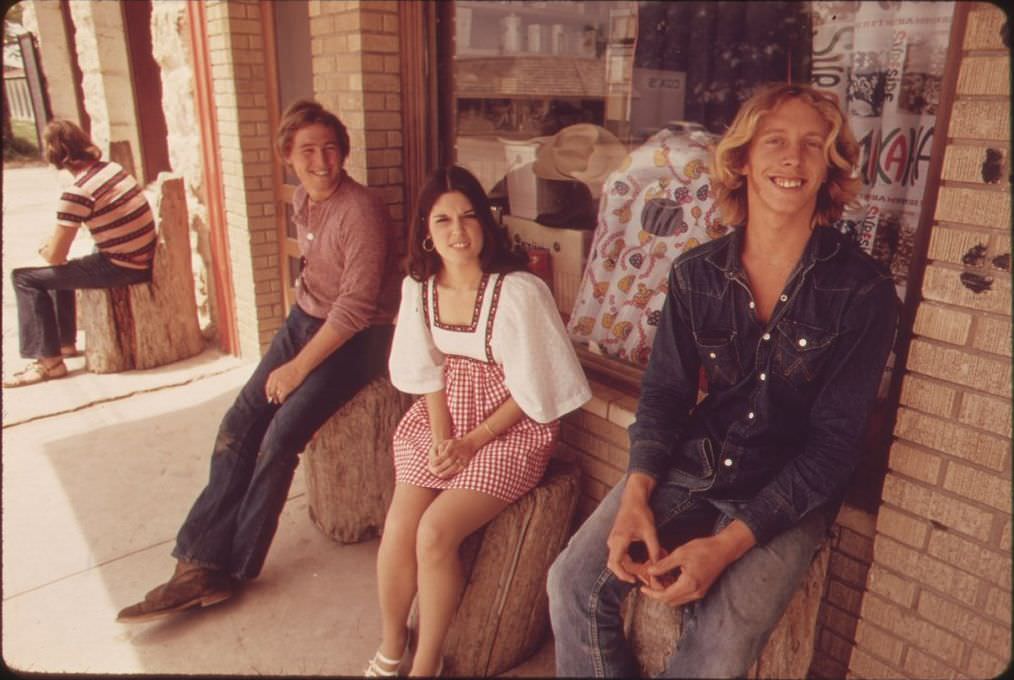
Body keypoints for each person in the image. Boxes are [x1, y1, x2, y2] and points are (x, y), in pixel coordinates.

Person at [547, 83, 899, 677]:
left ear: (830, 167)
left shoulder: (863, 290)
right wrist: (636, 499)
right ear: (741, 159)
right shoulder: (695, 274)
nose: (793, 158)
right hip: (696, 462)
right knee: (572, 585)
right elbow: (663, 397)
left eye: (813, 145)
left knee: (720, 647)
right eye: (776, 142)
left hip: (789, 492)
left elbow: (834, 447)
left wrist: (728, 545)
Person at [116, 99, 400, 623]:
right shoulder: (303, 197)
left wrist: (296, 369)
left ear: (344, 152)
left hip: (361, 336)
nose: (322, 161)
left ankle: (234, 567)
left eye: (331, 148)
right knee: (238, 425)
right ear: (288, 157)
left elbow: (357, 308)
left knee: (280, 436)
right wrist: (292, 341)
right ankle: (198, 563)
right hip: (305, 320)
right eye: (308, 151)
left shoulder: (360, 211)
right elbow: (316, 272)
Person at [365, 166, 591, 676]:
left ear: (486, 224)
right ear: (426, 230)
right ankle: (391, 644)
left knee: (435, 533)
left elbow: (537, 388)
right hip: (443, 420)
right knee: (401, 527)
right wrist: (444, 438)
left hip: (510, 429)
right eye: (442, 220)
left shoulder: (517, 292)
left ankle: (427, 662)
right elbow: (426, 374)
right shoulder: (418, 289)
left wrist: (473, 442)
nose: (457, 230)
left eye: (468, 216)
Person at [4, 120, 156, 387]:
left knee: (25, 277)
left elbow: (54, 255)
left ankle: (49, 363)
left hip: (123, 266)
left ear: (55, 154)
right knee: (60, 272)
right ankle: (63, 344)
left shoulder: (78, 192)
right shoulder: (111, 169)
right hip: (138, 254)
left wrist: (46, 247)